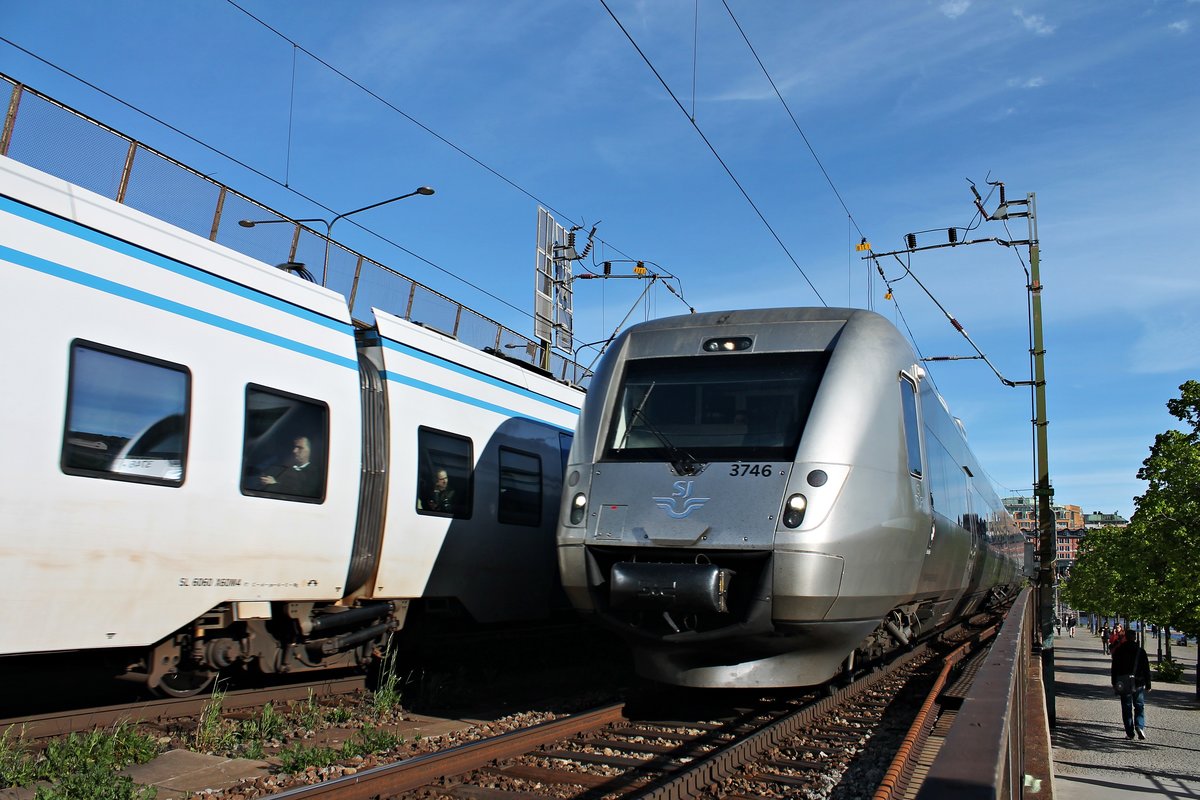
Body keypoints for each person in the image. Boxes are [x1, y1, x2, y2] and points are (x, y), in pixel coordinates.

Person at [1110, 626, 1152, 740]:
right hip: (1138, 682)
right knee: (1139, 705)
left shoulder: (1119, 650)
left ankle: (1130, 732)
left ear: (1126, 638)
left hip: (1123, 682)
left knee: (1126, 707)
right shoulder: (1140, 651)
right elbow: (1146, 669)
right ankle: (1139, 725)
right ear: (1134, 638)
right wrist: (1148, 684)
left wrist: (1114, 682)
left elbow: (1114, 668)